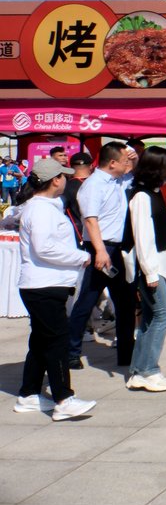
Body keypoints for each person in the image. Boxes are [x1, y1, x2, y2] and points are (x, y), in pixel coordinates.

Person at [13, 157, 96, 421]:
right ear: (54, 181)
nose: (66, 179)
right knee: (57, 341)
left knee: (41, 340)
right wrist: (78, 257)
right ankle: (63, 398)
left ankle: (29, 394)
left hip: (45, 284)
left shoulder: (46, 206)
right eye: (63, 175)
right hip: (43, 285)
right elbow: (44, 248)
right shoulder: (40, 210)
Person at [66, 141, 138, 370]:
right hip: (101, 247)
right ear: (113, 162)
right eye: (124, 160)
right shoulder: (94, 185)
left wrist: (133, 157)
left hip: (116, 249)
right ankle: (70, 351)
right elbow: (90, 219)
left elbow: (132, 170)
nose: (128, 164)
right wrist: (99, 251)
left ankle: (127, 352)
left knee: (125, 301)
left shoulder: (116, 180)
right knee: (87, 300)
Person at [124, 146, 166, 392]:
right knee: (163, 314)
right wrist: (150, 272)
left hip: (157, 265)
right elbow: (142, 238)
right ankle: (148, 370)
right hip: (149, 268)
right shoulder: (142, 197)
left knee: (150, 317)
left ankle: (138, 370)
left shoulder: (153, 193)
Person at [61, 151, 93, 243]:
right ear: (91, 166)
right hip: (100, 234)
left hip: (74, 235)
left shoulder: (64, 187)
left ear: (71, 167)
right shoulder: (98, 185)